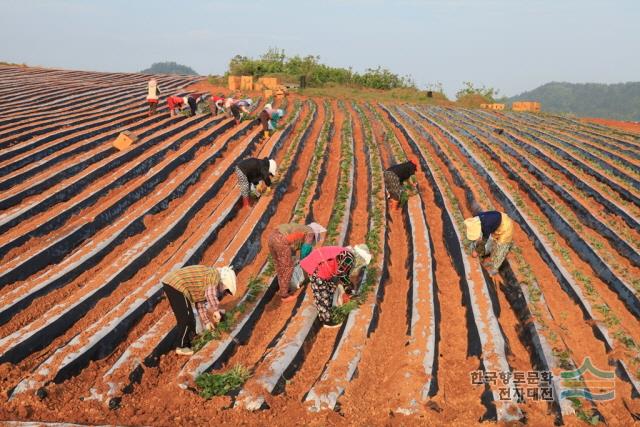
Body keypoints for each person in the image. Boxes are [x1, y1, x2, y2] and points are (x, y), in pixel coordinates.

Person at [161, 265, 237, 356]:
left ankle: (185, 345)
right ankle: (181, 346)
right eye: (226, 291)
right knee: (187, 318)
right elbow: (210, 295)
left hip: (173, 284)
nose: (224, 294)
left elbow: (199, 304)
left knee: (186, 317)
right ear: (224, 282)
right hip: (176, 284)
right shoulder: (214, 276)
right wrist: (216, 311)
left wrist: (207, 322)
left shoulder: (207, 283)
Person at [299, 244, 372, 327]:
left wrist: (348, 289)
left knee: (329, 289)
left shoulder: (348, 254)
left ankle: (328, 310)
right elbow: (341, 274)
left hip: (322, 267)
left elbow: (344, 273)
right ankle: (326, 320)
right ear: (359, 257)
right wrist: (348, 287)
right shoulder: (349, 258)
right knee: (322, 294)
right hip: (317, 268)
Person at [268, 222, 327, 302]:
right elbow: (305, 250)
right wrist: (304, 263)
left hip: (272, 237)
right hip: (280, 239)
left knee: (279, 266)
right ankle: (284, 296)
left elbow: (294, 244)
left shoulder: (302, 229)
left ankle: (282, 289)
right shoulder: (310, 232)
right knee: (288, 267)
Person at [464, 210, 514, 276]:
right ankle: (492, 262)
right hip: (498, 223)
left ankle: (495, 269)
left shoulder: (486, 226)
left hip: (506, 227)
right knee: (494, 245)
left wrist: (477, 251)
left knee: (500, 248)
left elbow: (484, 241)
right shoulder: (477, 218)